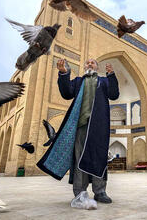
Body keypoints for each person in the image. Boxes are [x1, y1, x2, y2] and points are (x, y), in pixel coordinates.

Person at [37, 58, 119, 204]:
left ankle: (100, 192)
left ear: (97, 67)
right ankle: (80, 192)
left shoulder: (104, 82)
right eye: (87, 63)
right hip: (80, 126)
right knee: (79, 158)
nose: (89, 64)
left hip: (99, 126)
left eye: (92, 63)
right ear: (84, 67)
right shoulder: (78, 82)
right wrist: (63, 74)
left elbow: (114, 94)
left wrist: (111, 76)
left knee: (98, 157)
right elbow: (66, 93)